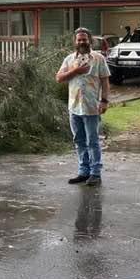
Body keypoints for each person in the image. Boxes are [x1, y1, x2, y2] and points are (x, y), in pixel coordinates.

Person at [55, 27, 110, 187]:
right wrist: (76, 70)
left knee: (92, 141)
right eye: (79, 39)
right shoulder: (69, 59)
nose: (81, 42)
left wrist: (105, 100)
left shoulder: (98, 58)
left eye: (84, 39)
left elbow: (105, 81)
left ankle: (95, 173)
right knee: (79, 141)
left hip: (91, 107)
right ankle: (83, 171)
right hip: (74, 107)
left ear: (90, 40)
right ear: (75, 41)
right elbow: (59, 78)